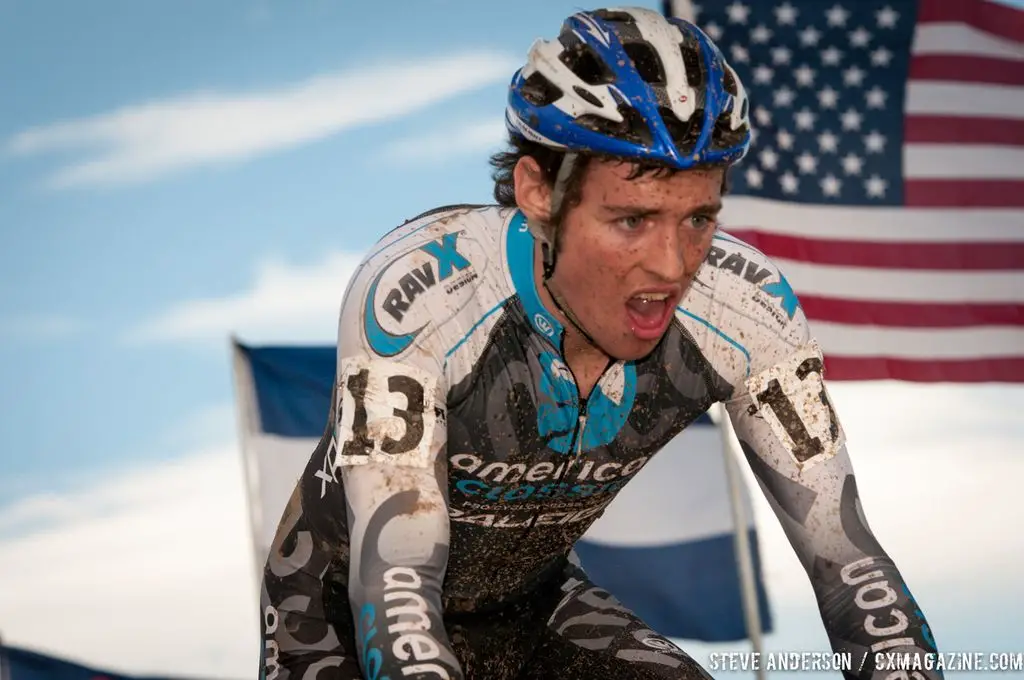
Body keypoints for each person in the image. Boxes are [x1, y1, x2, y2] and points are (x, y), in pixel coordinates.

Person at [258, 7, 941, 680]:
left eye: (698, 218)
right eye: (631, 220)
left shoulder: (746, 308)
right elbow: (396, 585)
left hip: (534, 603)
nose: (673, 266)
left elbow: (849, 565)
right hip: (342, 614)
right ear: (538, 192)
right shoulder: (422, 295)